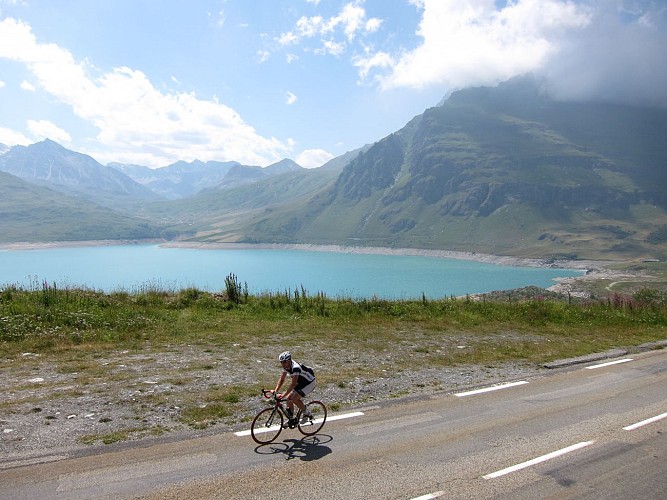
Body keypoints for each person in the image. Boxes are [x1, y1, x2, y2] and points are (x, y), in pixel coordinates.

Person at [272, 351, 315, 425]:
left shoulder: (295, 368)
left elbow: (293, 384)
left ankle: (307, 413)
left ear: (289, 361)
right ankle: (291, 419)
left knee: (294, 398)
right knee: (288, 399)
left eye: (284, 362)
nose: (282, 364)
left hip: (309, 383)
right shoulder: (287, 366)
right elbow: (282, 379)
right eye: (281, 362)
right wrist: (276, 390)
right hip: (301, 382)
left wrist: (283, 395)